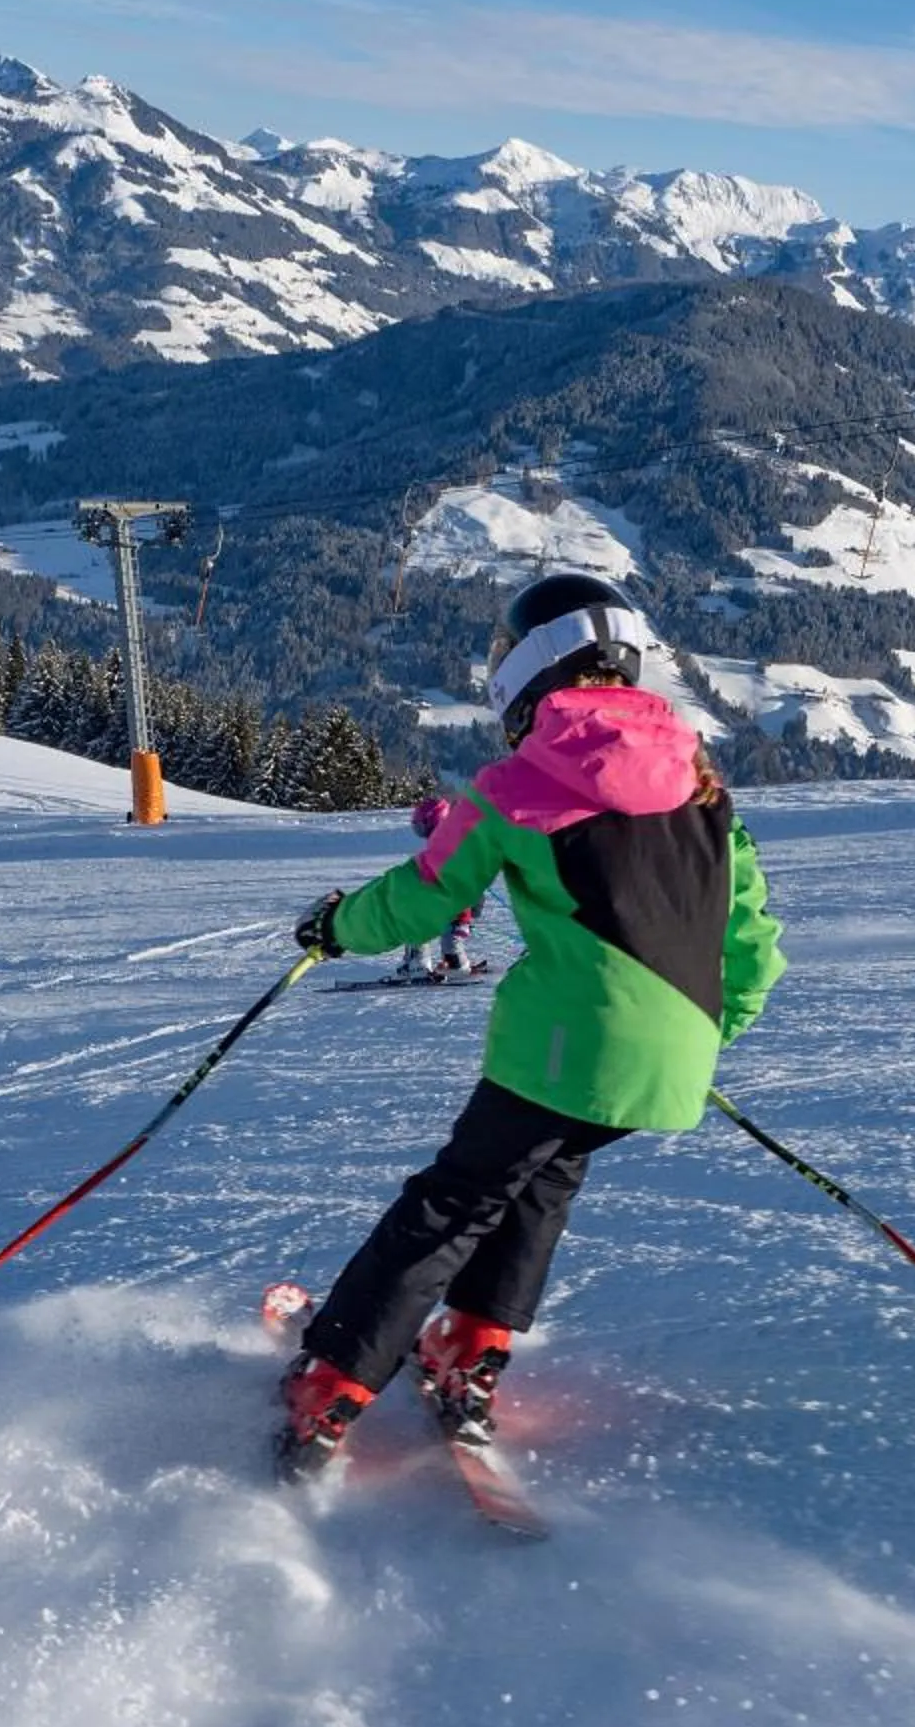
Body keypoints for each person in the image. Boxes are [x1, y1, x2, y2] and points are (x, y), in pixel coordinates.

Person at [275, 571, 787, 1484]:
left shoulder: (517, 784)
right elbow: (748, 945)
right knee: (543, 1182)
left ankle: (337, 1379)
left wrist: (334, 926)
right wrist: (711, 1035)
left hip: (555, 1051)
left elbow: (423, 896)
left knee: (453, 1203)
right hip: (665, 1058)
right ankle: (469, 1350)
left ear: (530, 671)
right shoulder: (707, 793)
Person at [394, 795, 485, 979]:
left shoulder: (451, 844)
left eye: (422, 827)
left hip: (453, 907)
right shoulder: (445, 841)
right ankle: (426, 962)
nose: (421, 833)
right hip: (448, 905)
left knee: (430, 930)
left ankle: (440, 965)